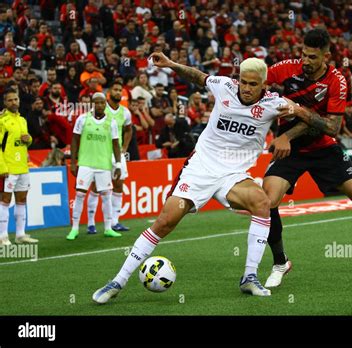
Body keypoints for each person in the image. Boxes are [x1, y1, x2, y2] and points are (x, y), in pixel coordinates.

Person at [92, 53, 289, 304]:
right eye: (243, 81)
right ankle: (117, 281)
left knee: (262, 203)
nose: (246, 87)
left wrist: (289, 136)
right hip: (201, 168)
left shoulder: (274, 104)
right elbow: (198, 76)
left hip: (234, 175)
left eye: (253, 83)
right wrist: (172, 65)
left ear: (264, 84)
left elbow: (303, 113)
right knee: (165, 221)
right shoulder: (224, 86)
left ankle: (249, 277)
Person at [262, 28, 352, 288]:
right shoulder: (285, 68)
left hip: (324, 149)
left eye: (313, 57)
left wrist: (298, 111)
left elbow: (332, 127)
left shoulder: (337, 81)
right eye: (303, 55)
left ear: (326, 56)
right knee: (267, 202)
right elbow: (258, 79)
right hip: (289, 150)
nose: (305, 61)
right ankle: (280, 261)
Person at [66, 92, 122, 240]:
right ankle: (75, 228)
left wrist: (118, 164)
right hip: (85, 163)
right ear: (92, 104)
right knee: (79, 194)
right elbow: (74, 140)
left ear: (106, 104)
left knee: (106, 196)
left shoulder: (112, 122)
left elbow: (116, 144)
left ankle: (108, 228)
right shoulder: (83, 119)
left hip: (103, 165)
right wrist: (73, 162)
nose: (99, 105)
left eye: (102, 103)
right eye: (96, 103)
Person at [87, 80, 133, 233]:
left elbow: (128, 130)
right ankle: (91, 223)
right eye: (116, 89)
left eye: (120, 90)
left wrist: (124, 147)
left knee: (119, 185)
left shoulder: (125, 112)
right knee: (96, 187)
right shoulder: (100, 109)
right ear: (109, 93)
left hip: (117, 154)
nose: (118, 92)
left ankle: (115, 222)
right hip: (101, 153)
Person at [0, 89, 38, 246]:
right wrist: (2, 167)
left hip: (23, 166)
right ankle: (2, 236)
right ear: (4, 103)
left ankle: (20, 234)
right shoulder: (2, 121)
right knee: (5, 201)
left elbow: (24, 142)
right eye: (10, 100)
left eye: (15, 99)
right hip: (8, 168)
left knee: (22, 199)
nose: (14, 102)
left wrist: (28, 139)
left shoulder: (22, 120)